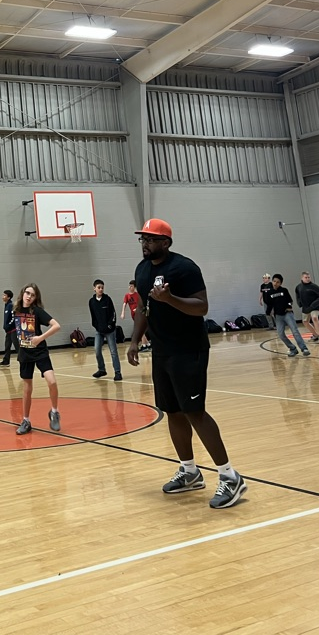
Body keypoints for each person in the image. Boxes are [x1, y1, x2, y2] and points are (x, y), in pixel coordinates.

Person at [128, 218, 247, 510]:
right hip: (161, 350)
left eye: (152, 239)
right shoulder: (142, 270)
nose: (146, 244)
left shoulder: (185, 268)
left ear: (166, 242)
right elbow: (145, 307)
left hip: (188, 350)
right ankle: (190, 471)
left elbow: (202, 307)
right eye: (143, 239)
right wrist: (134, 340)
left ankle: (230, 477)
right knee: (172, 411)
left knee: (195, 412)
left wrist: (170, 299)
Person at [13, 284, 61, 435]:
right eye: (27, 293)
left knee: (52, 381)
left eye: (32, 295)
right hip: (25, 353)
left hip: (40, 351)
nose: (29, 296)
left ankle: (54, 412)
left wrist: (40, 338)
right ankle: (26, 420)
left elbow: (56, 326)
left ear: (35, 298)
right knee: (27, 389)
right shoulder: (16, 311)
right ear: (23, 293)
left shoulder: (37, 311)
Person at [264, 275, 309, 357]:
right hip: (278, 316)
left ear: (281, 283)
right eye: (274, 281)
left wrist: (289, 307)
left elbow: (290, 301)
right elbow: (269, 304)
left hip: (287, 314)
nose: (275, 283)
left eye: (278, 282)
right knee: (281, 334)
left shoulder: (284, 290)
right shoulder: (269, 293)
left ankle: (304, 348)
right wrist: (268, 313)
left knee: (295, 331)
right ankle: (292, 348)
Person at [89, 280, 122, 381]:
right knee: (97, 350)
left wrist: (110, 325)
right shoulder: (92, 301)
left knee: (113, 352)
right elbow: (93, 316)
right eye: (99, 287)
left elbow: (113, 314)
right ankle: (102, 369)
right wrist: (96, 326)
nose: (101, 289)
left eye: (102, 287)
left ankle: (117, 372)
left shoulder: (107, 299)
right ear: (94, 288)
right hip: (99, 330)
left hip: (110, 330)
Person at [295, 272, 319, 344]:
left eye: (309, 277)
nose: (307, 279)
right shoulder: (298, 287)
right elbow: (297, 295)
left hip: (315, 306)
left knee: (314, 318)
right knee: (305, 322)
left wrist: (315, 303)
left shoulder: (314, 286)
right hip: (305, 307)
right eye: (306, 277)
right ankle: (315, 335)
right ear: (302, 278)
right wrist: (299, 303)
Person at [122, 280, 150, 351]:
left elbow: (142, 303)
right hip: (133, 314)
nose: (130, 287)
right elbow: (124, 304)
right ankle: (147, 344)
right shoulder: (127, 295)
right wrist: (123, 312)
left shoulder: (137, 295)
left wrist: (137, 309)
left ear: (134, 287)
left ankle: (144, 344)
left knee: (140, 328)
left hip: (139, 314)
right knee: (140, 329)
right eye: (129, 286)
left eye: (131, 286)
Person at [0, 289, 19, 366]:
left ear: (9, 297)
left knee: (17, 346)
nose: (2, 297)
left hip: (13, 330)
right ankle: (6, 361)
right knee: (7, 346)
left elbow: (13, 318)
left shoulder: (11, 305)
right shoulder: (6, 305)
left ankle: (23, 359)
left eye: (4, 295)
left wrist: (8, 325)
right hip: (8, 331)